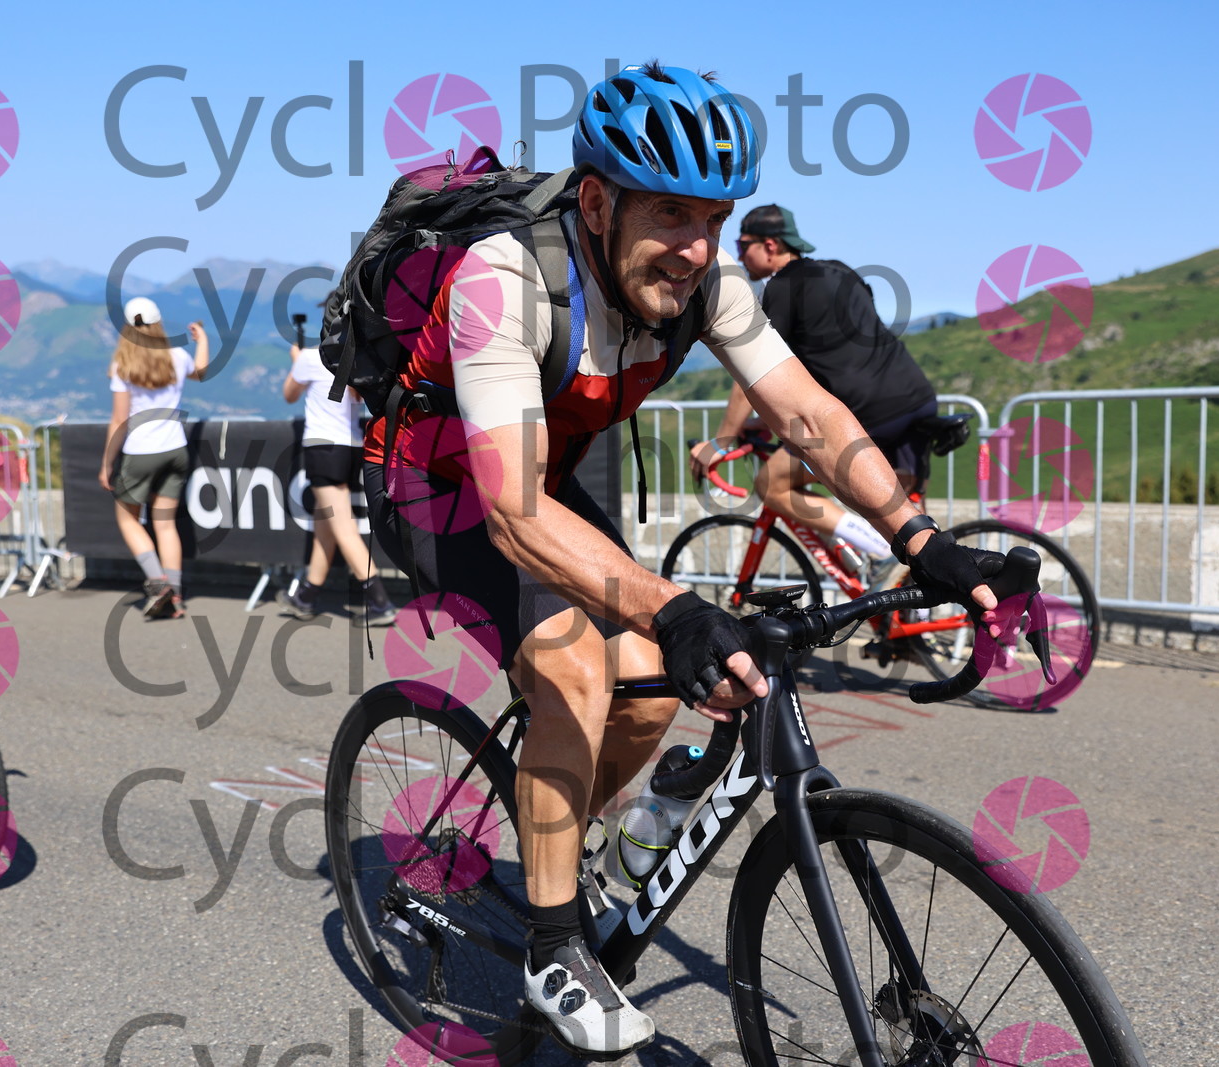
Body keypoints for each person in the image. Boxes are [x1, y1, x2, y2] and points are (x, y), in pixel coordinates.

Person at [361, 63, 1004, 1057]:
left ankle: (556, 837)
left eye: (714, 218)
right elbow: (514, 513)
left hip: (538, 471)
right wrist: (671, 604)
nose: (696, 246)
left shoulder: (704, 282)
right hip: (436, 484)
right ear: (595, 203)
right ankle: (553, 943)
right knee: (576, 667)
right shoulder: (504, 278)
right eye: (669, 211)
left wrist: (921, 538)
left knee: (655, 685)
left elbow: (806, 412)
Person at [689, 205, 940, 559]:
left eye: (743, 245)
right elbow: (833, 355)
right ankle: (923, 572)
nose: (739, 255)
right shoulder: (839, 269)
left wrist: (723, 441)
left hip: (871, 412)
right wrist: (767, 423)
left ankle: (880, 550)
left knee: (771, 484)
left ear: (771, 245)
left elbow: (754, 372)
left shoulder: (782, 288)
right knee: (905, 506)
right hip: (917, 399)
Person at [98, 297, 208, 620]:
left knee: (127, 518)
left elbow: (119, 420)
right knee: (165, 525)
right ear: (158, 322)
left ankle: (158, 582)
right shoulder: (177, 355)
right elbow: (201, 372)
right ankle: (176, 598)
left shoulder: (123, 364)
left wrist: (107, 463)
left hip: (140, 452)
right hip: (175, 450)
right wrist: (202, 341)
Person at [280, 330, 396, 626]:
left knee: (342, 528)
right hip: (351, 446)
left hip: (323, 448)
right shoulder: (358, 359)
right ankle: (307, 596)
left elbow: (289, 395)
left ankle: (380, 602)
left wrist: (296, 361)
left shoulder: (311, 357)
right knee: (326, 526)